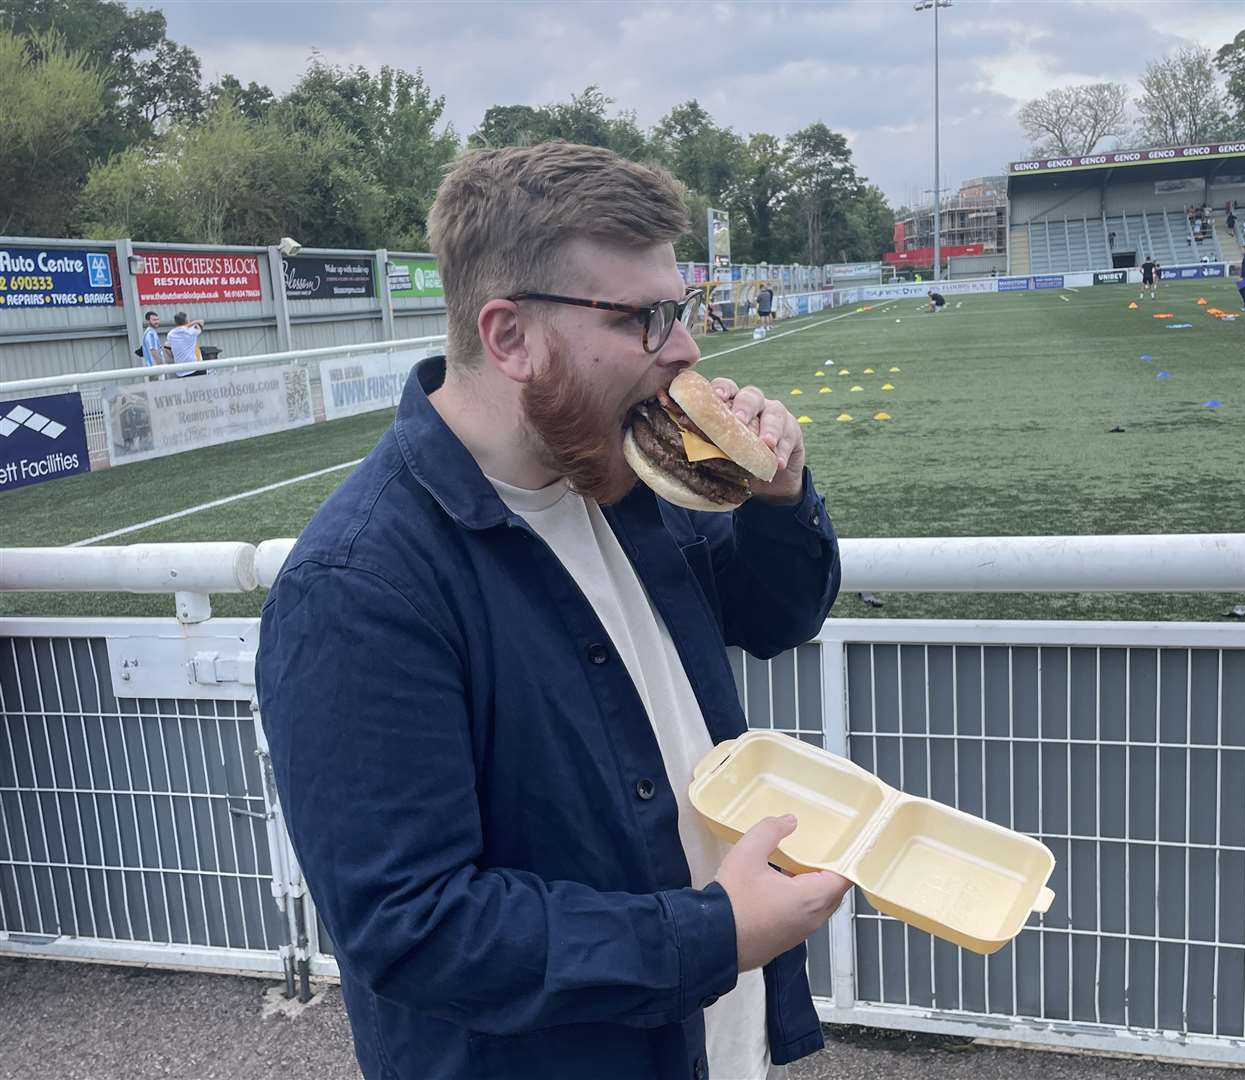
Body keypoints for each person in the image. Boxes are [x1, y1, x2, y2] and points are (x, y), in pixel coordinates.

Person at [255, 142, 846, 1080]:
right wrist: (711, 933)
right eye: (645, 318)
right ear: (508, 336)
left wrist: (778, 494)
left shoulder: (628, 475)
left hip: (703, 1044)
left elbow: (776, 619)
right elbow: (411, 929)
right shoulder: (359, 586)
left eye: (679, 310)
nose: (687, 349)